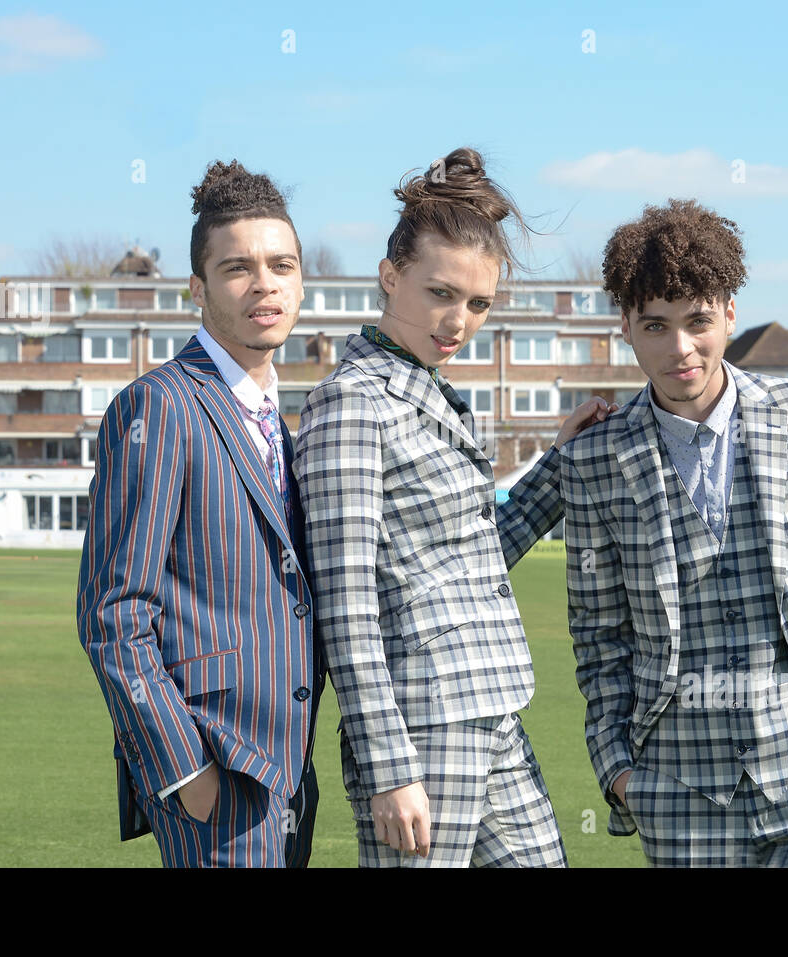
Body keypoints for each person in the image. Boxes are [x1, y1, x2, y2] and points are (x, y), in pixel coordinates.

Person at [294, 147, 617, 867]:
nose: (458, 321)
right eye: (441, 293)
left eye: (477, 304)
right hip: (421, 728)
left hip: (495, 707)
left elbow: (469, 558)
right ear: (390, 276)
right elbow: (344, 605)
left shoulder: (432, 392)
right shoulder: (353, 406)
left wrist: (557, 470)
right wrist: (388, 766)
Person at [561, 198, 788, 867]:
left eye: (697, 321)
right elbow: (598, 633)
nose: (680, 348)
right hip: (679, 791)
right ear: (626, 325)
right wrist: (621, 773)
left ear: (730, 313)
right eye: (656, 325)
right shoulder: (596, 458)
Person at [76, 159, 324, 867]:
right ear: (199, 287)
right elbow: (112, 611)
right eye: (238, 268)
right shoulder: (158, 406)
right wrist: (186, 771)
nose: (265, 283)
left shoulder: (285, 425)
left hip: (289, 772)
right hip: (214, 770)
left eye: (282, 264)